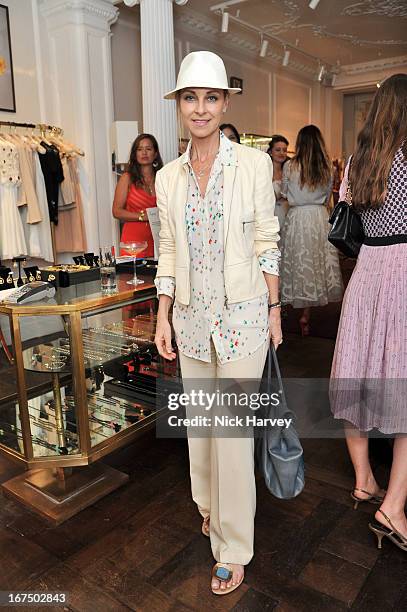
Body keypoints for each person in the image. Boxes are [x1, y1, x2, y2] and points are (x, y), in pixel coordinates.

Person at [154, 51, 281, 595]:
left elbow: (267, 243)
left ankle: (234, 547)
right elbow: (168, 249)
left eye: (210, 97)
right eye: (190, 97)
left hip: (243, 318)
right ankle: (209, 507)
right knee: (200, 433)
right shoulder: (167, 178)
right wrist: (162, 314)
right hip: (190, 319)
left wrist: (275, 310)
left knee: (231, 434)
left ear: (224, 102)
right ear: (180, 106)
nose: (200, 108)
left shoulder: (253, 166)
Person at [330, 74, 407, 553]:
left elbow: (346, 220)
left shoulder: (357, 163)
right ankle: (394, 506)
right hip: (403, 270)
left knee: (356, 373)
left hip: (366, 272)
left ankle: (364, 481)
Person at [279, 124, 343, 335]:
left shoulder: (290, 166)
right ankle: (307, 313)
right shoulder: (327, 167)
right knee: (316, 263)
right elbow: (327, 196)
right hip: (318, 217)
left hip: (297, 217)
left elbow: (286, 193)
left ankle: (285, 309)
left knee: (297, 262)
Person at [112, 133, 163, 257]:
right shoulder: (127, 178)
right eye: (139, 149)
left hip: (158, 237)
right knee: (134, 275)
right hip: (134, 241)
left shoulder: (163, 177)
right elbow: (116, 211)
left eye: (148, 149)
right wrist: (142, 217)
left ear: (155, 154)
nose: (144, 153)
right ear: (135, 154)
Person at [267, 134, 289, 229]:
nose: (281, 153)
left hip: (288, 212)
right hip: (271, 213)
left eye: (284, 150)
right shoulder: (266, 171)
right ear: (271, 152)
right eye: (278, 150)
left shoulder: (288, 170)